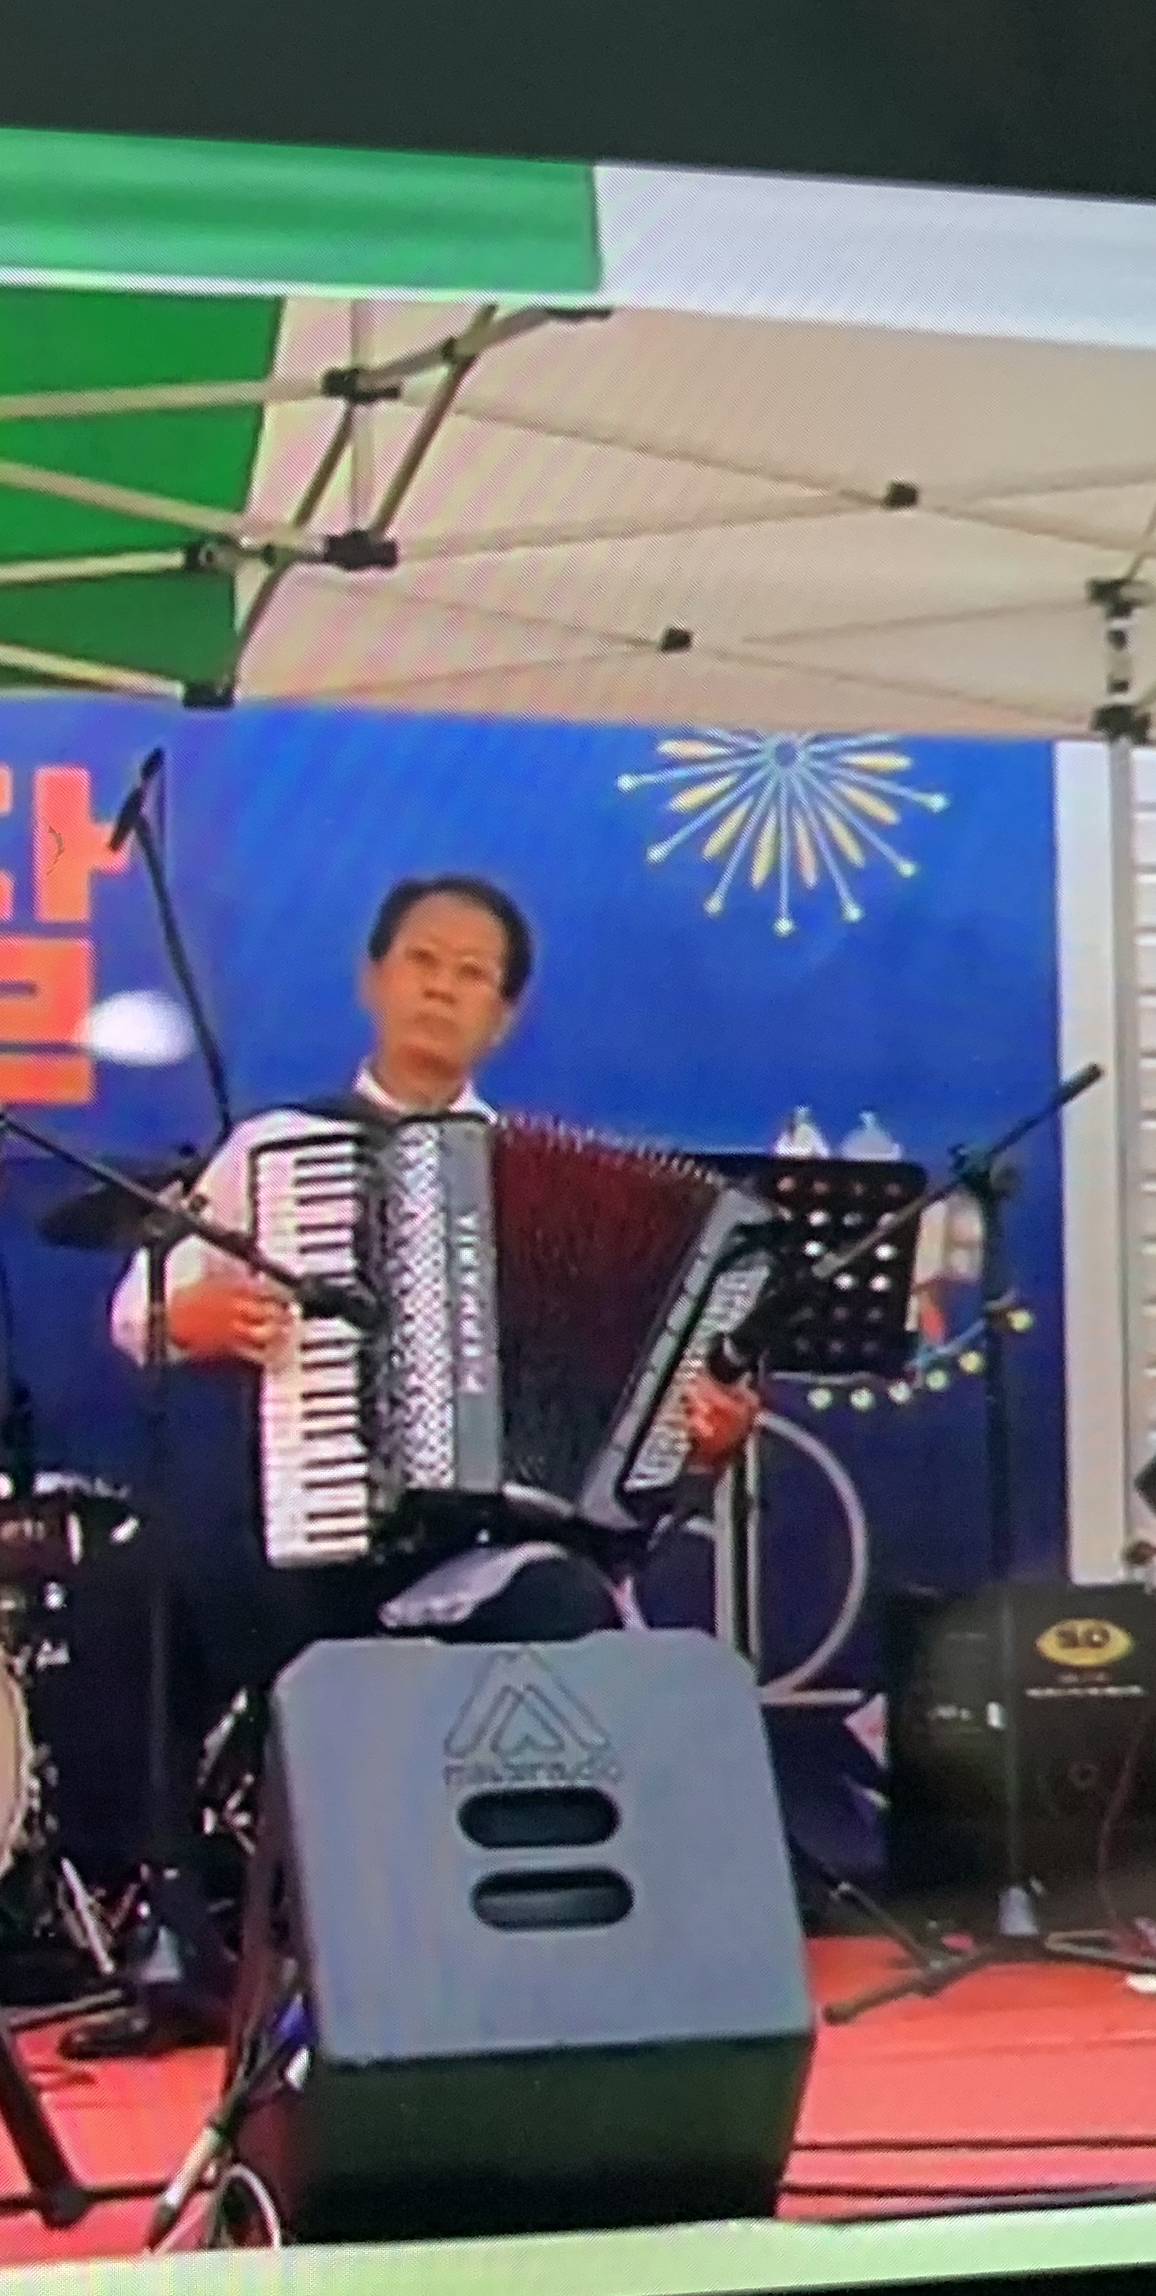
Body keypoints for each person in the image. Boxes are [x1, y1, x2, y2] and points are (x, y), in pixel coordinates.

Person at [74, 872, 760, 2053]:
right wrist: (196, 1319)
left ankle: (551, 1952)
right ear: (374, 980)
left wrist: (702, 1441)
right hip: (316, 1523)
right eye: (423, 963)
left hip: (483, 1550)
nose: (442, 990)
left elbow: (636, 1445)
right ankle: (179, 1941)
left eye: (472, 975)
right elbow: (139, 1310)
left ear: (503, 1016)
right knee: (131, 1591)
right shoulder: (280, 1147)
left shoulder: (532, 1176)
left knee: (566, 1605)